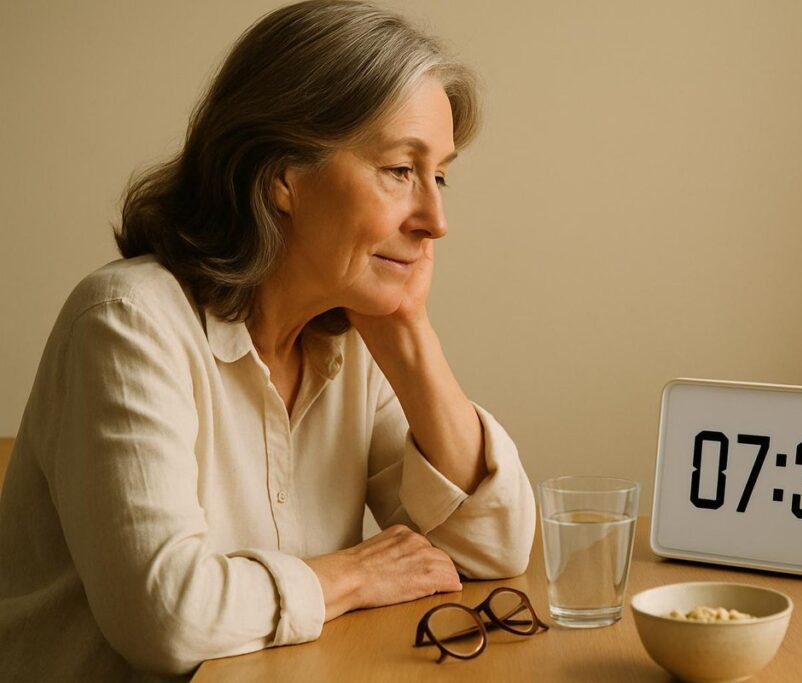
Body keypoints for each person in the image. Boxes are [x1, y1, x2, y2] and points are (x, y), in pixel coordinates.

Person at [0, 1, 535, 680]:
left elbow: (498, 544)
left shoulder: (348, 347)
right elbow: (164, 618)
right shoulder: (126, 322)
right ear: (283, 175)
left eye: (441, 176)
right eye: (401, 170)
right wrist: (349, 576)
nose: (436, 219)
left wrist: (408, 331)